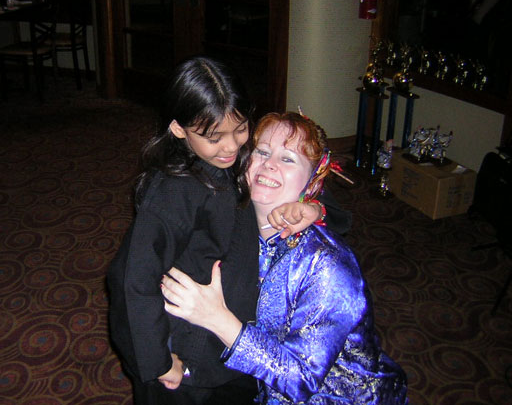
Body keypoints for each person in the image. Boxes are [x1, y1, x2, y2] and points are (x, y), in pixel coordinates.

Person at [107, 57, 350, 405]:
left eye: (241, 129)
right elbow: (130, 279)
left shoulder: (237, 158)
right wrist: (156, 361)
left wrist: (315, 208)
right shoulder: (173, 192)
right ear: (179, 129)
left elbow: (315, 186)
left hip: (232, 351)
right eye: (214, 137)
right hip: (187, 362)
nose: (232, 147)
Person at [161, 112, 409, 404]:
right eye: (263, 152)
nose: (269, 164)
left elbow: (302, 380)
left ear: (313, 181)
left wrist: (217, 318)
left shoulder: (326, 266)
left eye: (288, 158)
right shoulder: (238, 223)